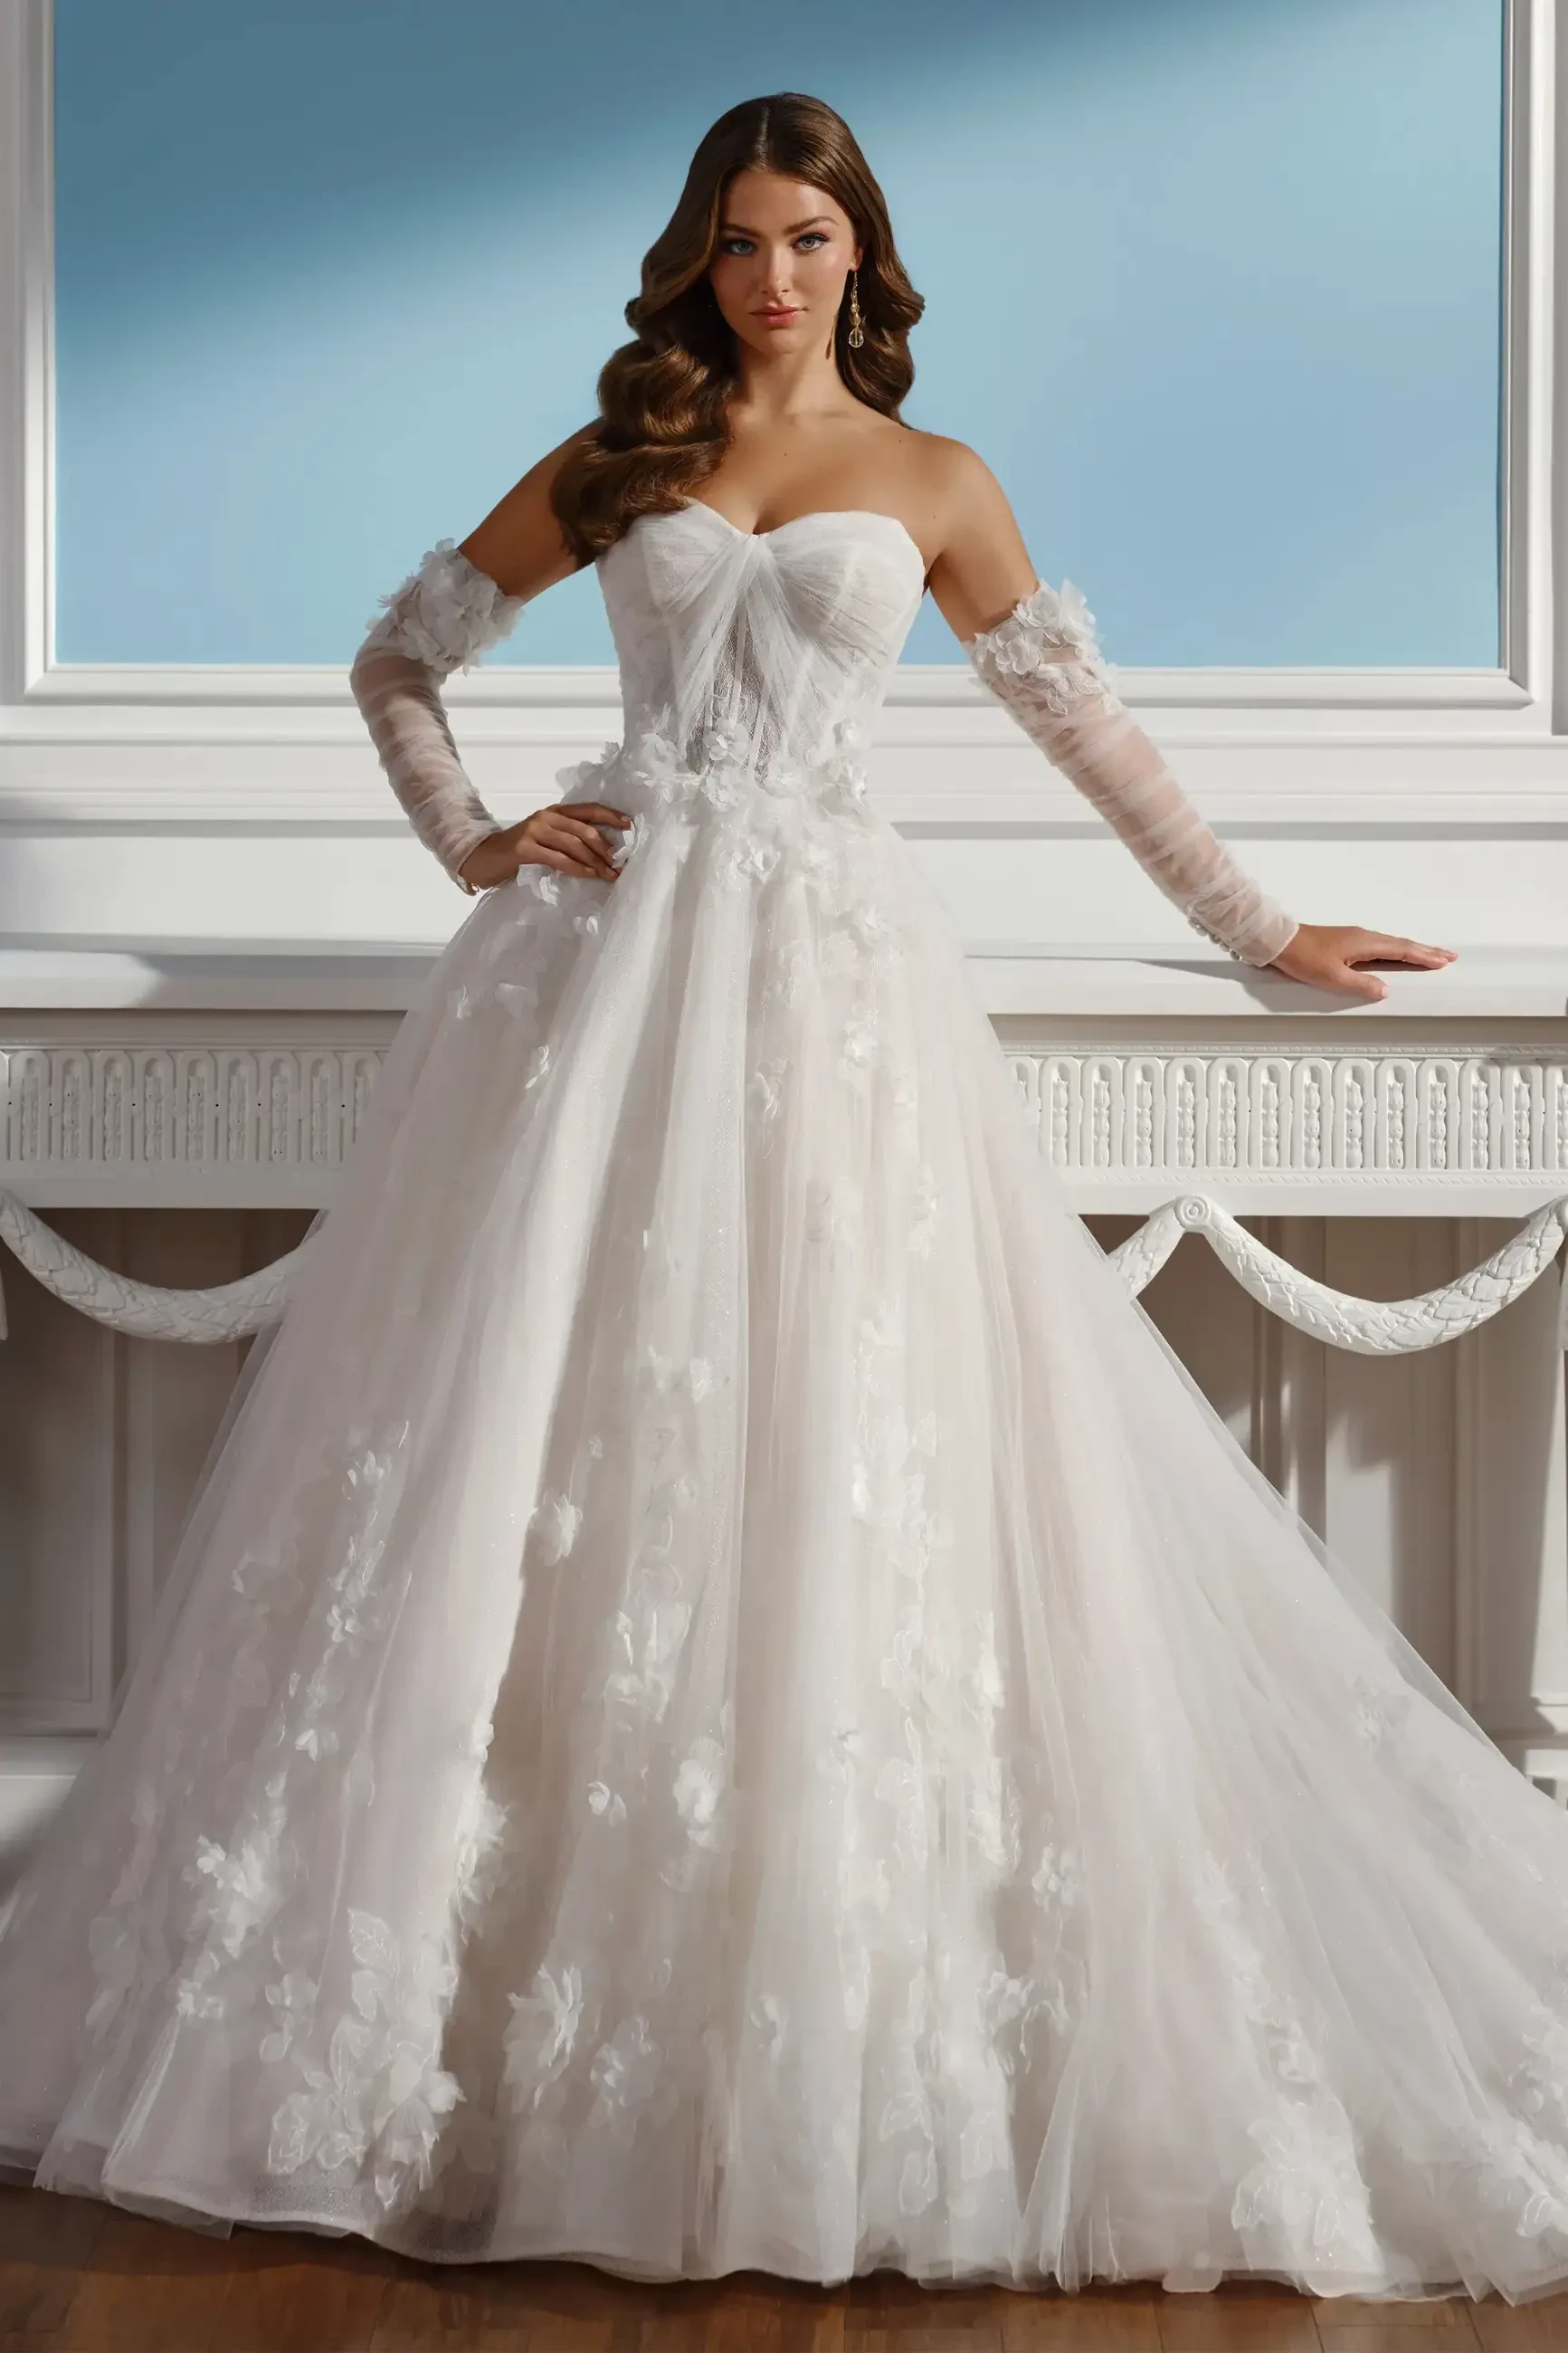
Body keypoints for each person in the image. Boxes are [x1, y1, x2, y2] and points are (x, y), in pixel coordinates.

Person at [3, 90, 1566, 2310]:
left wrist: (1259, 924)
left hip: (830, 1004)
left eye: (808, 236)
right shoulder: (618, 458)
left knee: (838, 1450)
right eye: (738, 238)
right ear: (696, 254)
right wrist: (473, 837)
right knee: (543, 1466)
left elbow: (1086, 731)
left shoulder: (934, 488)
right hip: (592, 1002)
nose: (769, 275)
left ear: (865, 255)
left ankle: (814, 2042)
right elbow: (398, 657)